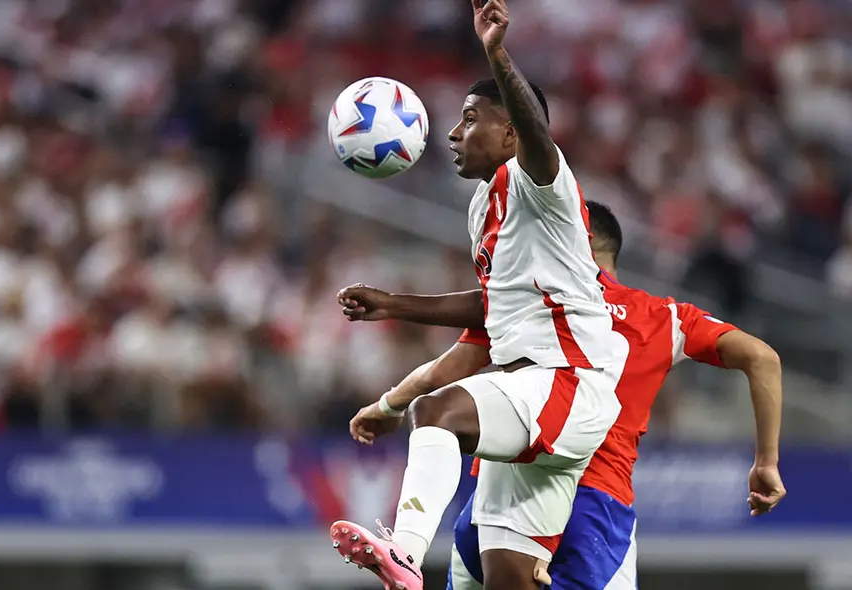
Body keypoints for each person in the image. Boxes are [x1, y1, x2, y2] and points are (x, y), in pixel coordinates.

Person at [342, 201, 787, 589]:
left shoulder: (534, 304)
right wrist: (765, 462)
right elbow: (762, 358)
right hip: (592, 505)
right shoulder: (664, 318)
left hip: (495, 502)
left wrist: (389, 405)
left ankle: (407, 549)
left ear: (577, 237)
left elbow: (444, 372)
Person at [329, 2, 623, 589]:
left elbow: (538, 134)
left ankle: (406, 553)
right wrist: (392, 310)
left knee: (436, 413)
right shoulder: (481, 207)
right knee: (505, 581)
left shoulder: (541, 183)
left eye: (469, 118)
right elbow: (488, 317)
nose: (454, 133)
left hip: (568, 378)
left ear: (511, 130)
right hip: (529, 397)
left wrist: (496, 52)